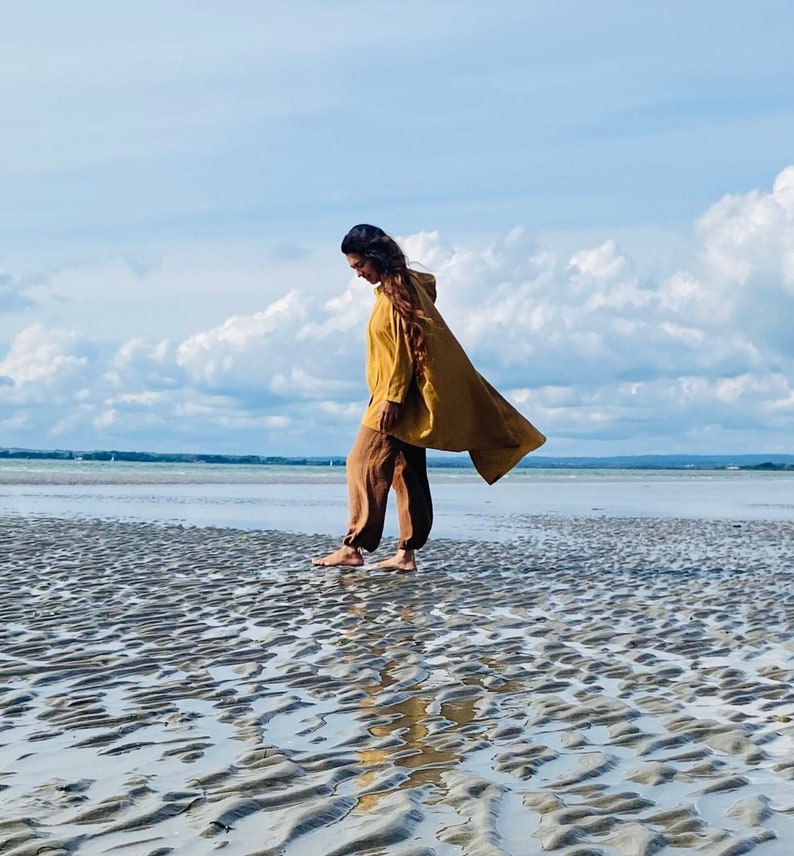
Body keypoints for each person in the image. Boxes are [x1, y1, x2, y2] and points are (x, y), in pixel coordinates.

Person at [312, 224, 545, 571]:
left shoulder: (398, 291)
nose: (358, 274)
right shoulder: (399, 288)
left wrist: (390, 398)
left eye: (360, 265)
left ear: (374, 257)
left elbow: (405, 349)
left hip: (393, 398)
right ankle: (406, 554)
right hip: (399, 396)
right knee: (408, 473)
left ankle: (353, 548)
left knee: (361, 463)